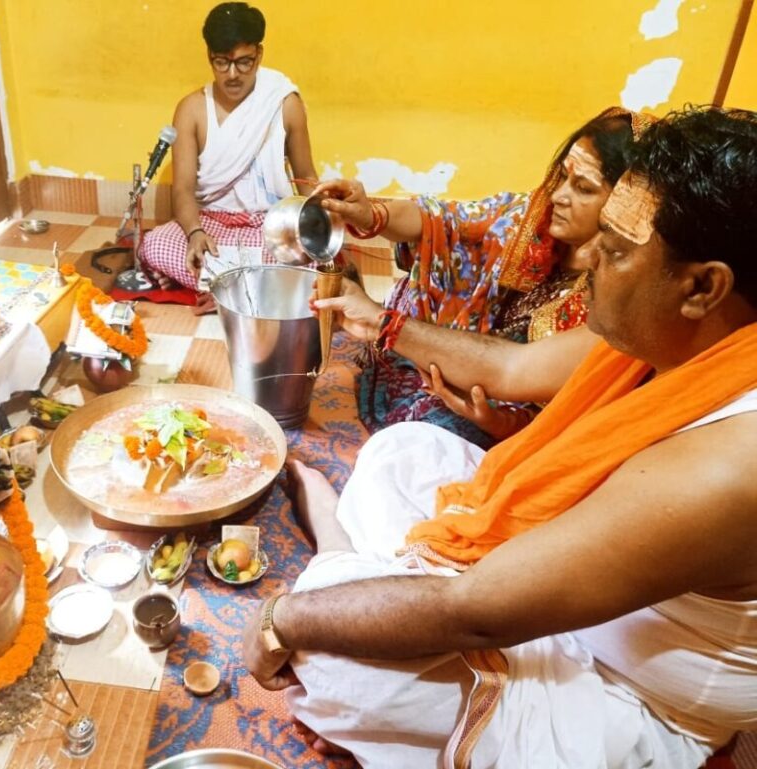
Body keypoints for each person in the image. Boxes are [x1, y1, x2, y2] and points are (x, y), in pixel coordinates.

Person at [243, 106, 757, 768]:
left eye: (619, 250)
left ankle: (342, 559)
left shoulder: (727, 464)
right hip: (560, 580)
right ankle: (355, 570)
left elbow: (475, 610)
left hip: (623, 693)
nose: (591, 259)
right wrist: (381, 323)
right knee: (403, 450)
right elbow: (511, 367)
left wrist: (281, 618)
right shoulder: (678, 336)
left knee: (335, 663)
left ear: (702, 286)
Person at [314, 108, 649, 447]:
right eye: (562, 177)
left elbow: (527, 385)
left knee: (428, 433)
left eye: (583, 189)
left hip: (513, 395)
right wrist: (372, 214)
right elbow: (445, 220)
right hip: (472, 353)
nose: (559, 195)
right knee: (407, 301)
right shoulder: (531, 217)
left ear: (628, 205)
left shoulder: (617, 295)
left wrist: (497, 421)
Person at [138, 2, 317, 308]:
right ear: (209, 57)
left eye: (244, 62)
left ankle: (220, 287)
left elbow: (306, 177)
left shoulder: (283, 103)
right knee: (154, 244)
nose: (232, 74)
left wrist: (321, 227)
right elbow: (182, 188)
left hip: (269, 224)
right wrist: (194, 232)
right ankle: (252, 292)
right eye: (222, 62)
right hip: (212, 224)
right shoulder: (191, 109)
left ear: (259, 54)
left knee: (311, 261)